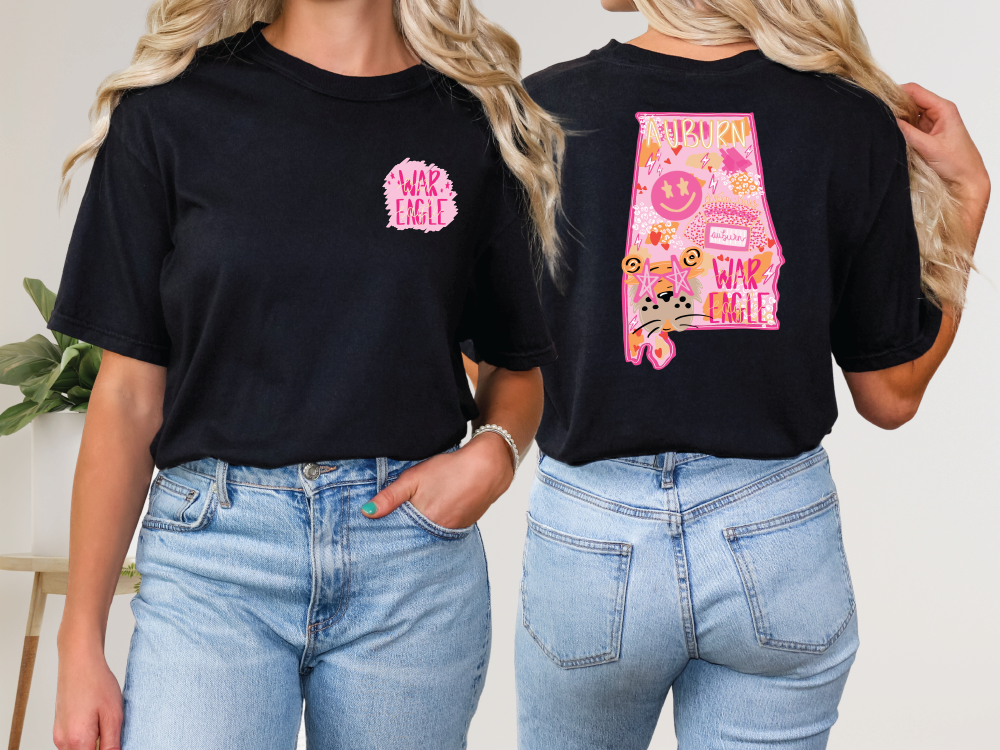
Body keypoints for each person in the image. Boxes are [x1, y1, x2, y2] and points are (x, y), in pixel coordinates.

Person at [50, 1, 563, 749]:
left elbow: (518, 370)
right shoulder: (169, 112)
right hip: (216, 560)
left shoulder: (475, 124)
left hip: (408, 567)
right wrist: (79, 643)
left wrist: (495, 453)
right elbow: (127, 397)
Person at [504, 1, 989, 748]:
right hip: (776, 539)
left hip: (594, 547)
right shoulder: (846, 116)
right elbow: (891, 397)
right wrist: (965, 203)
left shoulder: (539, 109)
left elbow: (486, 358)